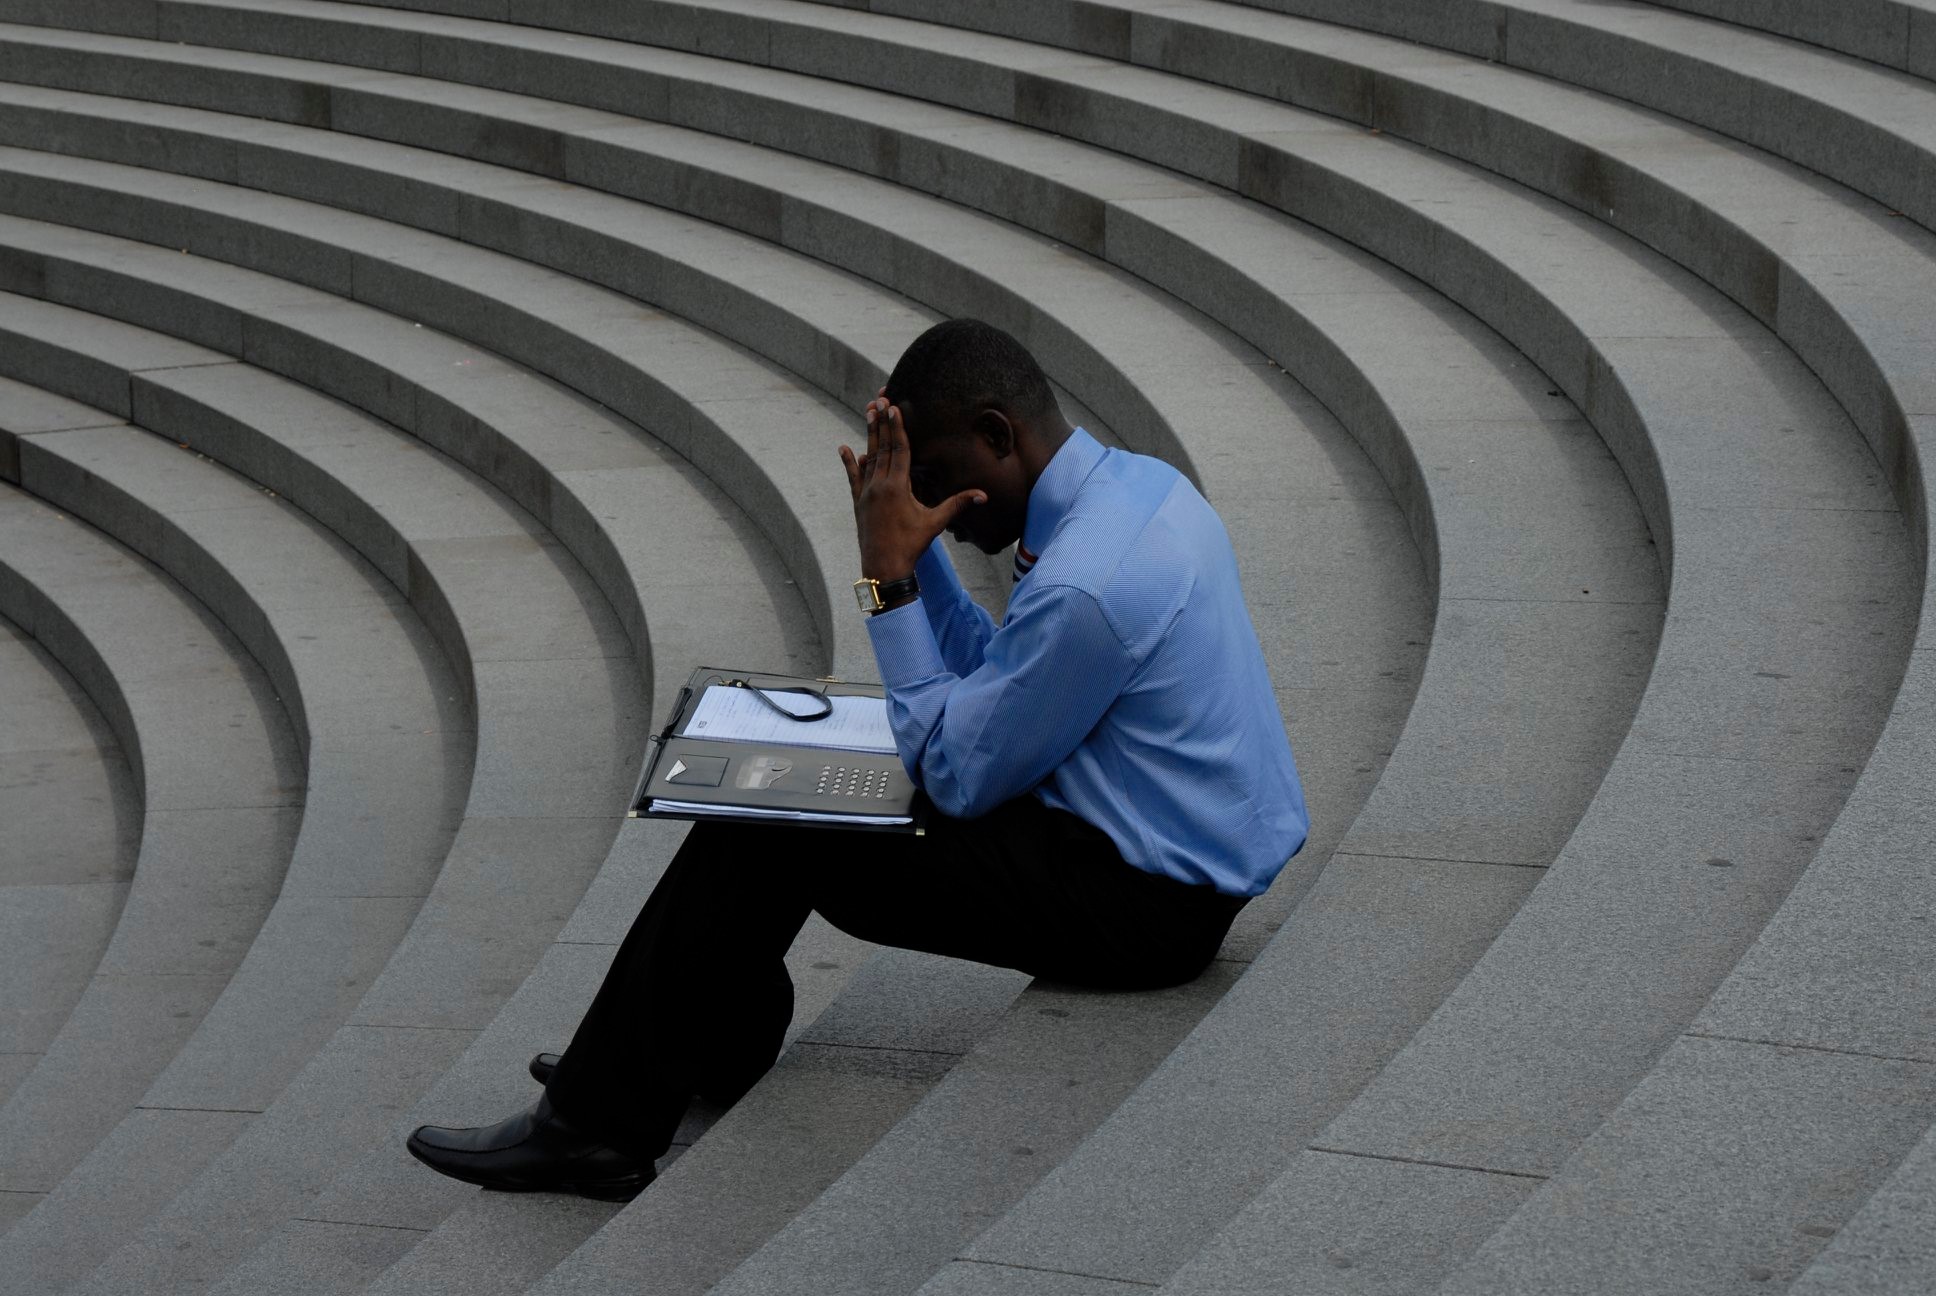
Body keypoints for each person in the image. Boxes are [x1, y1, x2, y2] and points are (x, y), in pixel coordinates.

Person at [406, 319, 1307, 1200]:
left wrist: (887, 581)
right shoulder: (1139, 491)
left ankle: (596, 1131)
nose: (937, 516)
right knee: (786, 779)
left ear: (999, 435)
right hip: (1149, 840)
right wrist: (913, 562)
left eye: (940, 482)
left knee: (777, 822)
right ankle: (689, 1047)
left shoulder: (1087, 585)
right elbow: (991, 677)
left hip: (1148, 908)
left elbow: (959, 771)